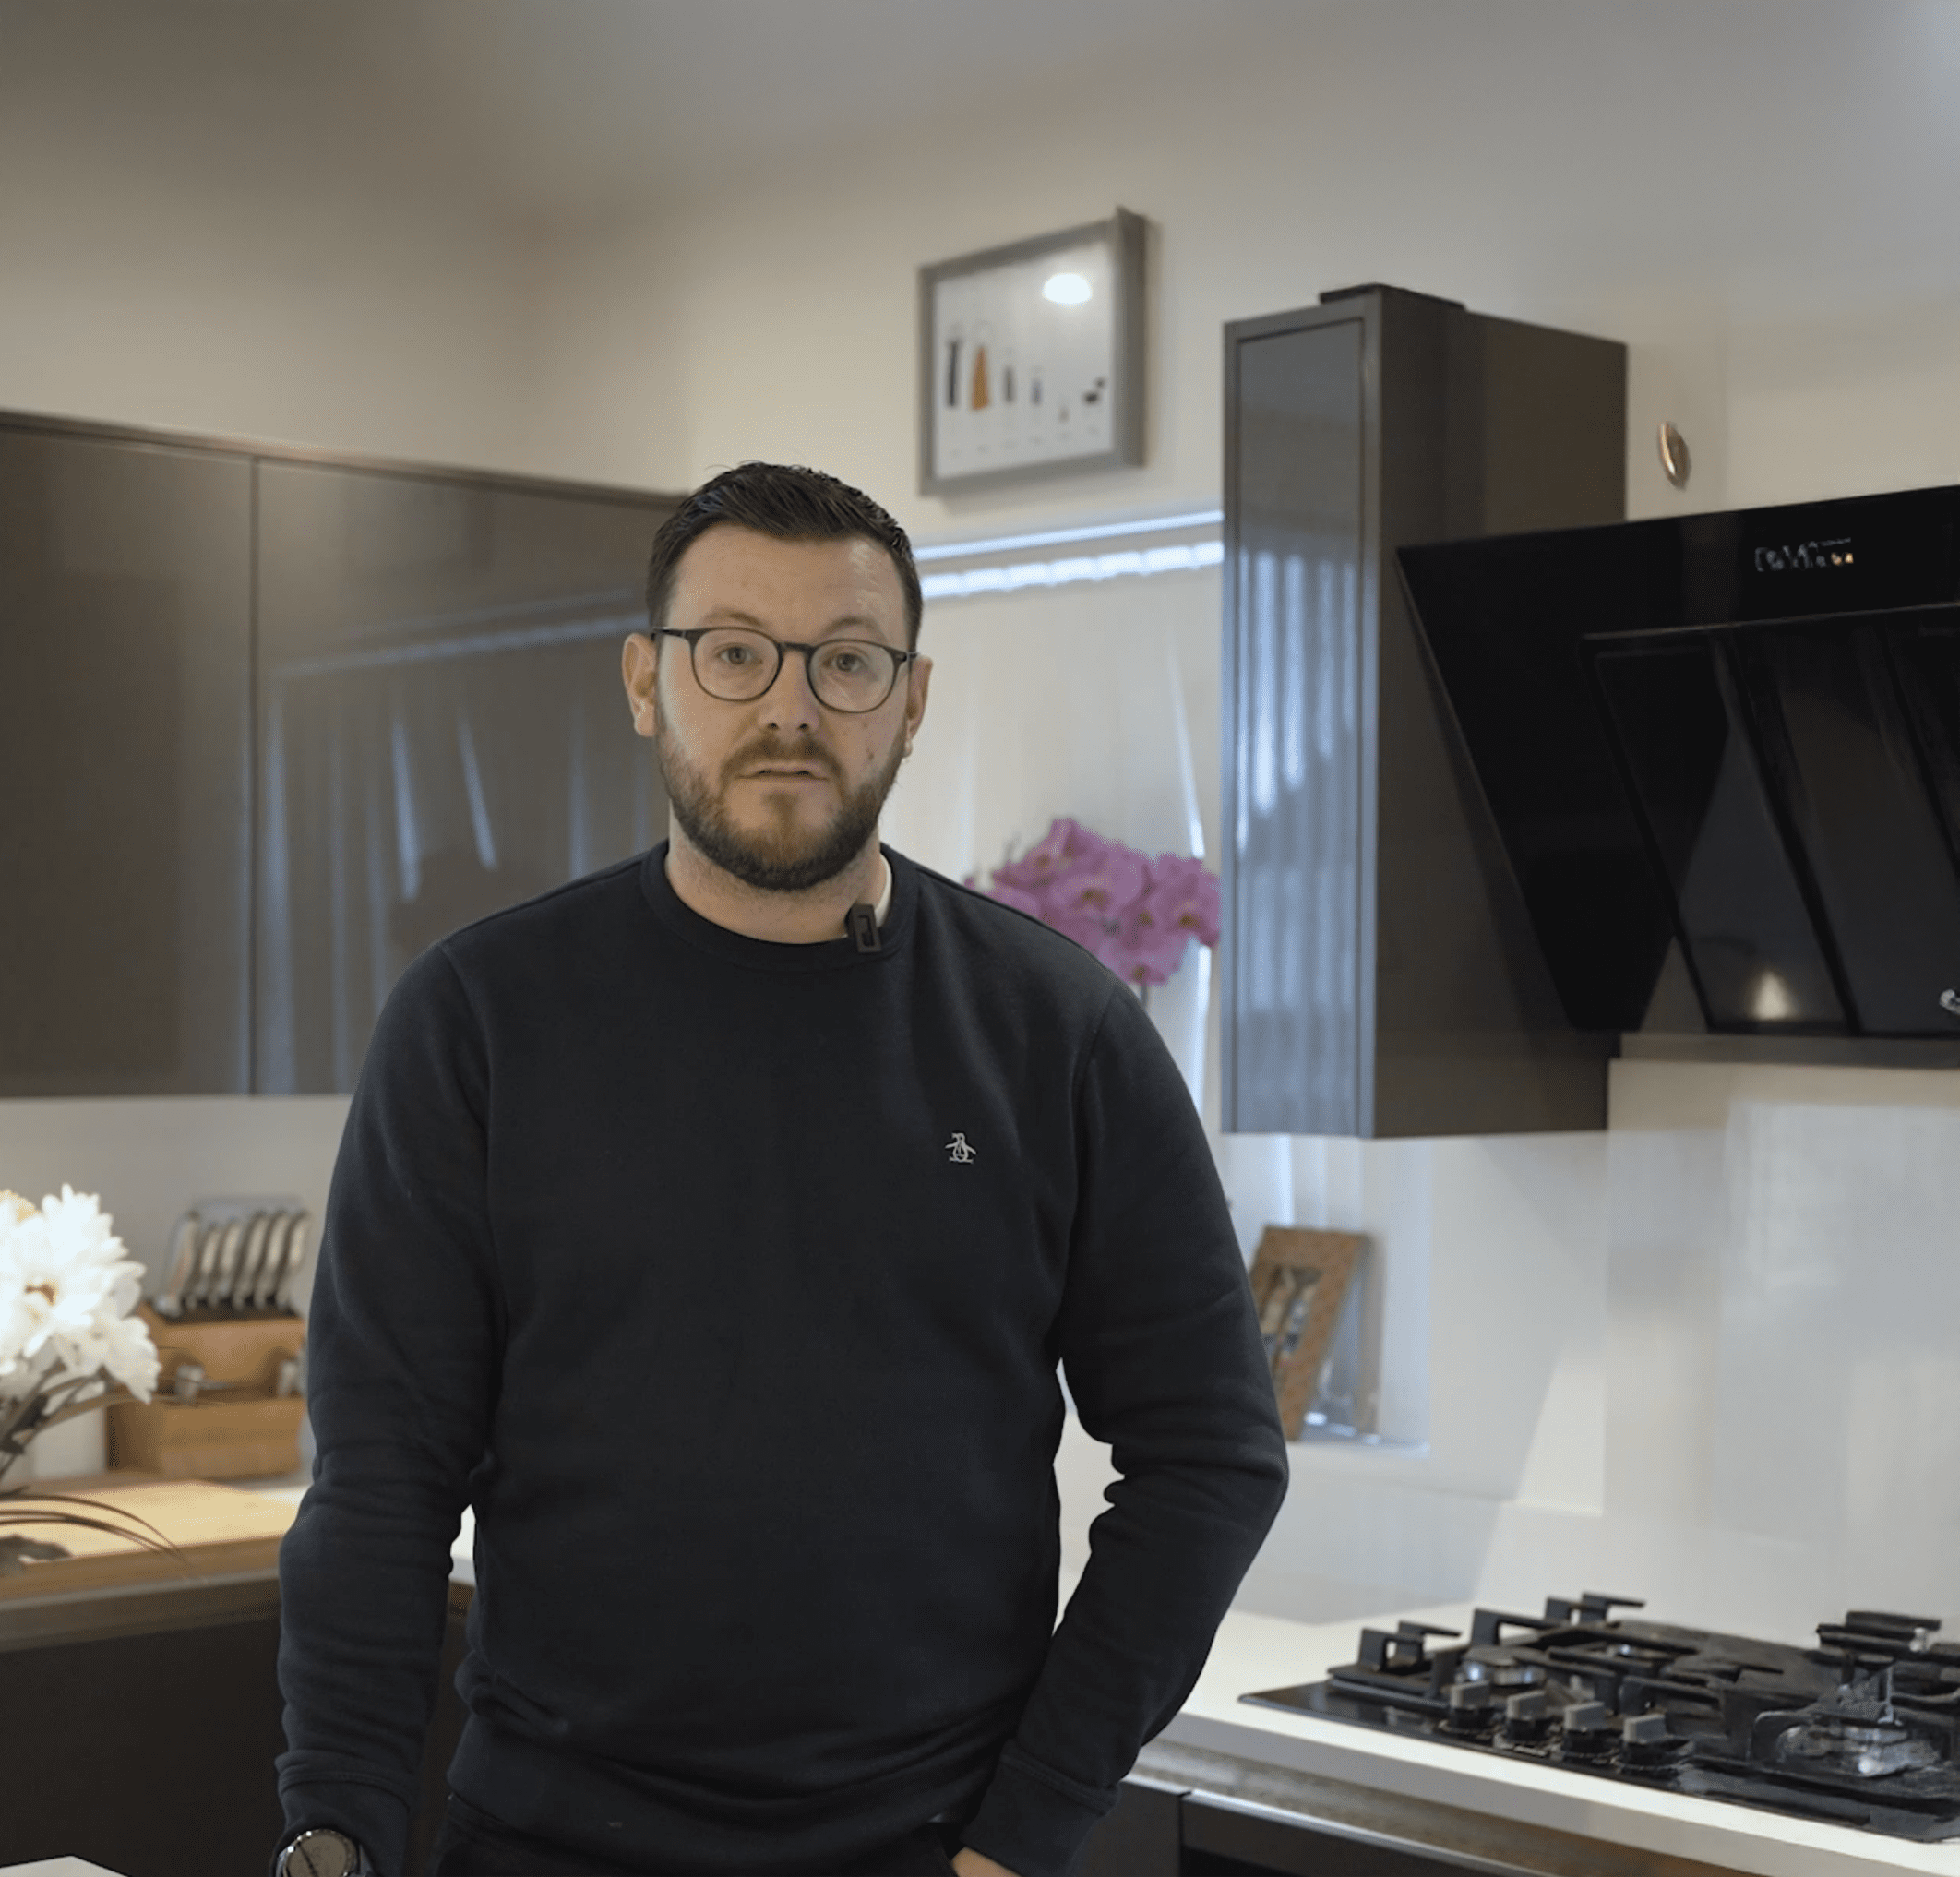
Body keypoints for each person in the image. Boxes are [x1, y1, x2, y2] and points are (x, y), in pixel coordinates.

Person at [272, 462, 1289, 1877]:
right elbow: (382, 1483)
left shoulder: (1054, 1031)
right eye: (734, 652)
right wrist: (337, 1829)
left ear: (913, 699)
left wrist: (1027, 1832)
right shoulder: (483, 1020)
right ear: (647, 679)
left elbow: (1213, 1454)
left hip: (929, 1847)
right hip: (551, 1843)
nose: (790, 707)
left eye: (848, 661)